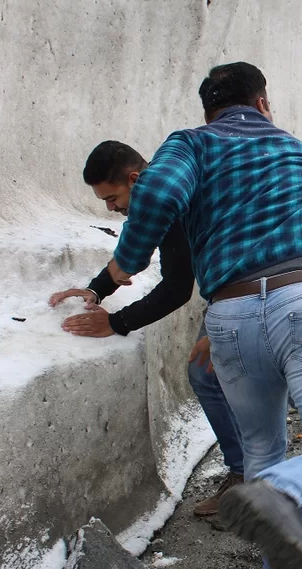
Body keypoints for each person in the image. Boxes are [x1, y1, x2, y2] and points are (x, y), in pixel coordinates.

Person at [103, 62, 302, 569]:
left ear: (209, 112)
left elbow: (160, 189)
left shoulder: (192, 144)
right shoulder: (295, 149)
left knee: (263, 447)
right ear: (262, 104)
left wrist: (124, 266)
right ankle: (284, 495)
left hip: (232, 314)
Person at [49, 141, 247, 516]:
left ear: (135, 180)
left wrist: (116, 323)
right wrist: (95, 290)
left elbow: (175, 287)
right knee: (219, 375)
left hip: (244, 287)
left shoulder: (167, 197)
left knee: (211, 374)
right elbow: (136, 252)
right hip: (246, 286)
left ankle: (250, 476)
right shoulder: (174, 185)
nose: (110, 208)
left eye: (112, 197)